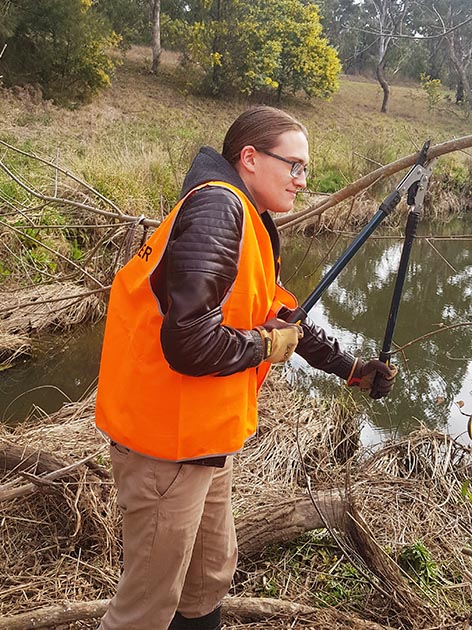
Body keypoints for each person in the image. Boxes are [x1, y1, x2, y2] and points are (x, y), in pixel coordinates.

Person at [95, 105, 396, 630]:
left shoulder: (243, 216)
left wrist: (352, 369)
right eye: (295, 165)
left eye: (307, 169)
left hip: (204, 441)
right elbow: (188, 341)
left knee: (209, 578)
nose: (304, 180)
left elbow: (280, 316)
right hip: (167, 447)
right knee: (145, 607)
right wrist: (265, 347)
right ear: (250, 159)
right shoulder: (219, 210)